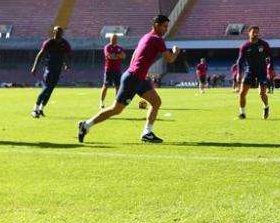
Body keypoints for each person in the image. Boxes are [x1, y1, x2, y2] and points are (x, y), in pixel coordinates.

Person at [78, 14, 180, 144]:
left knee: (156, 102)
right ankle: (85, 125)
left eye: (167, 26)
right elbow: (170, 58)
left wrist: (140, 72)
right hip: (134, 78)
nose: (166, 29)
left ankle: (147, 133)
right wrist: (176, 51)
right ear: (156, 25)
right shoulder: (157, 39)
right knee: (116, 109)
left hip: (138, 77)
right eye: (164, 26)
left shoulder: (146, 37)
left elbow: (134, 55)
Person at [30, 26, 72, 118]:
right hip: (49, 69)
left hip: (58, 69)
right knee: (46, 88)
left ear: (62, 33)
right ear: (54, 32)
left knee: (50, 90)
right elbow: (40, 55)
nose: (58, 33)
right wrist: (34, 67)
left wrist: (67, 64)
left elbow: (67, 55)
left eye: (60, 31)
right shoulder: (49, 43)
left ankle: (41, 109)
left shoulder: (65, 44)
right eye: (57, 31)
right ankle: (34, 109)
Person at [236, 26, 273, 119]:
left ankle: (266, 107)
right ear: (249, 33)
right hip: (249, 72)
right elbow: (240, 61)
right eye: (253, 32)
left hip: (262, 72)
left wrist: (271, 68)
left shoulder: (264, 44)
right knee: (242, 93)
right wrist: (238, 73)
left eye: (257, 32)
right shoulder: (245, 46)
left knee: (262, 93)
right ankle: (242, 113)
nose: (255, 34)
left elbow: (271, 57)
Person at [100, 34, 125, 109]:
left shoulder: (119, 48)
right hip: (109, 69)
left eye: (116, 38)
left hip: (117, 70)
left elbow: (123, 56)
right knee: (105, 86)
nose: (114, 40)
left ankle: (116, 102)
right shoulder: (107, 47)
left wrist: (115, 55)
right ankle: (101, 102)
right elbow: (110, 56)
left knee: (118, 87)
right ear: (110, 39)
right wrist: (118, 55)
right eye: (113, 38)